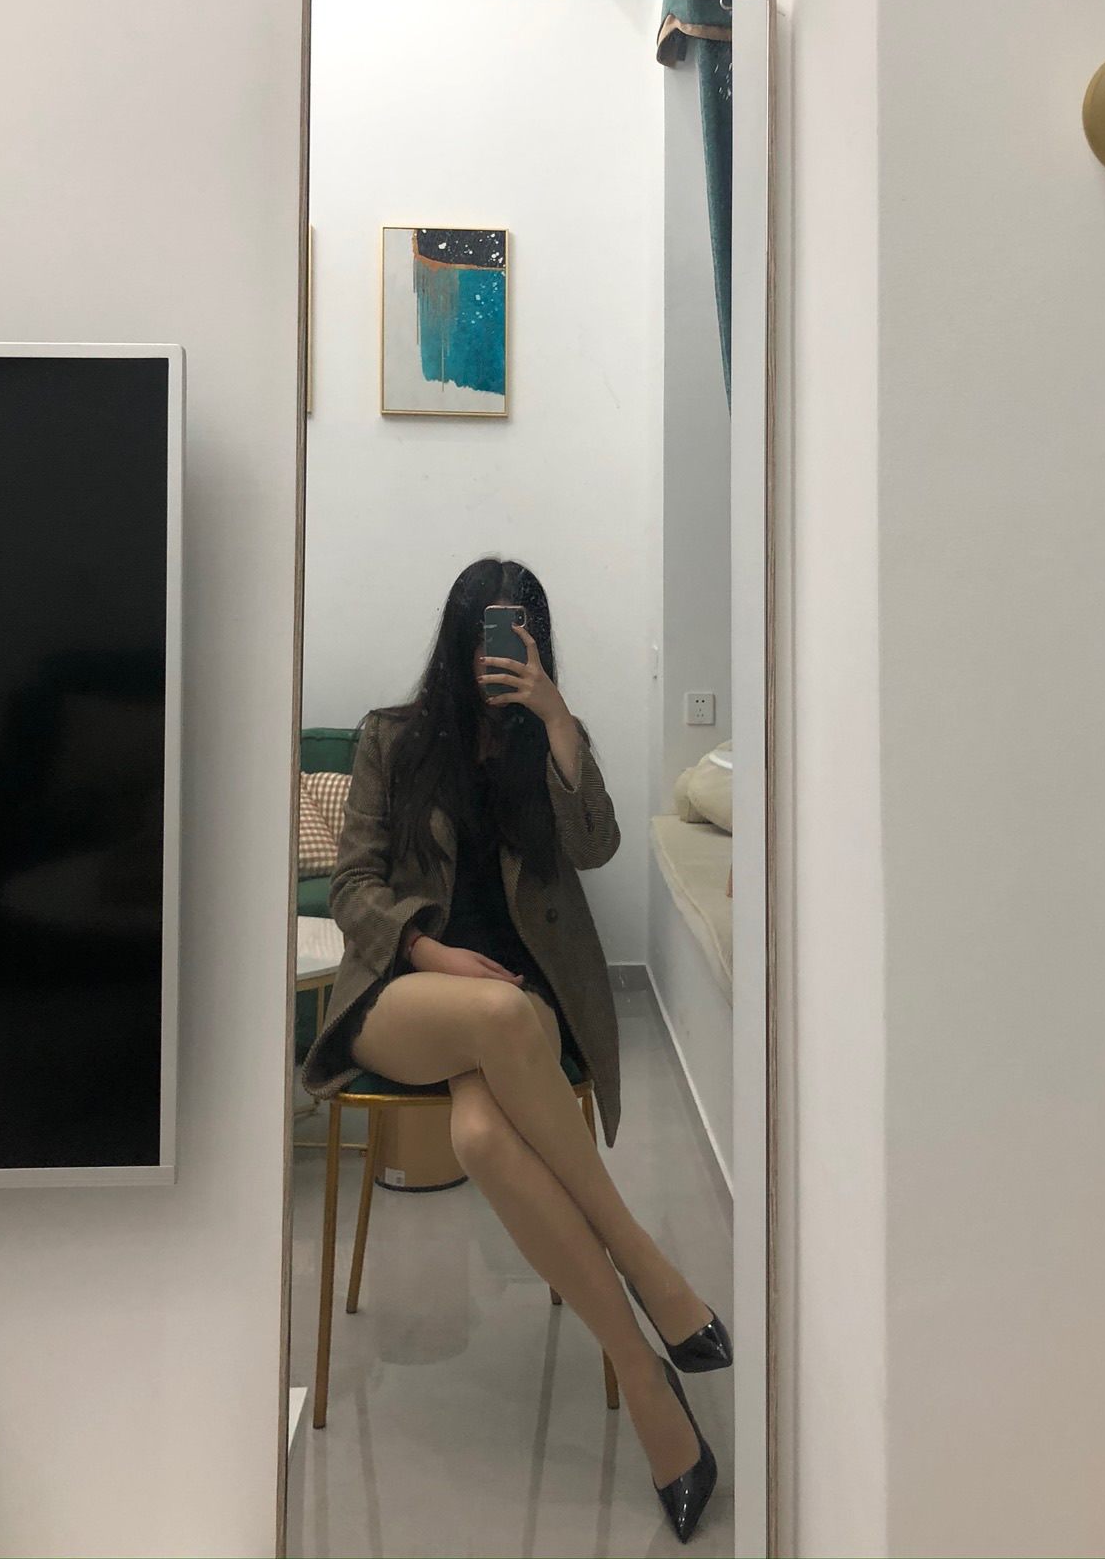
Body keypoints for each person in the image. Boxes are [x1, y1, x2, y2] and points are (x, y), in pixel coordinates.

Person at [304, 558, 730, 1542]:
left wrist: (559, 718)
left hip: (524, 1004)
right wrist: (430, 948)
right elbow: (354, 883)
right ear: (460, 639)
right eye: (491, 632)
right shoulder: (392, 738)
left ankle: (644, 1376)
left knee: (484, 1136)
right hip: (409, 991)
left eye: (523, 631)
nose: (504, 650)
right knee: (495, 1018)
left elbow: (598, 845)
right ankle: (649, 1268)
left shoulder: (551, 738)